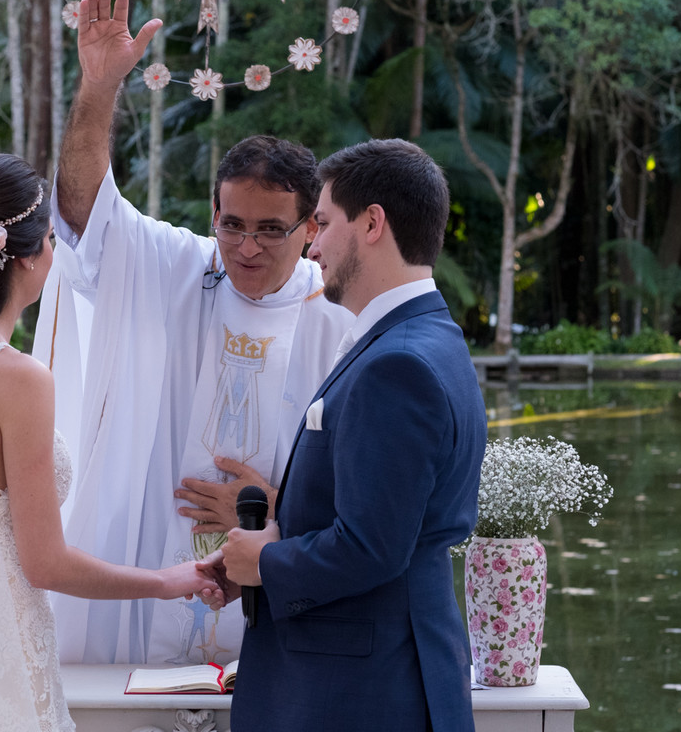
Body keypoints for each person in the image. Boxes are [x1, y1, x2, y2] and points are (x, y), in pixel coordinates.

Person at [33, 0, 353, 666]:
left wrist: (278, 506)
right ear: (213, 216)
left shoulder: (336, 317)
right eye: (232, 225)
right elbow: (86, 207)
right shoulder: (179, 266)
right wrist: (97, 87)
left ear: (310, 228)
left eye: (272, 230)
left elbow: (368, 495)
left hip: (278, 594)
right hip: (154, 561)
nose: (246, 247)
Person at [0, 154, 219, 732]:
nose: (55, 250)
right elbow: (44, 563)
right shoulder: (20, 379)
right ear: (26, 256)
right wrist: (166, 581)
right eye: (52, 236)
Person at [204, 138, 487, 731]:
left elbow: (372, 546)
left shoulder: (397, 364)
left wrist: (269, 562)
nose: (315, 242)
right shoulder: (429, 337)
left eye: (325, 223)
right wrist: (274, 540)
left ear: (373, 223)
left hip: (363, 691)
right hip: (383, 668)